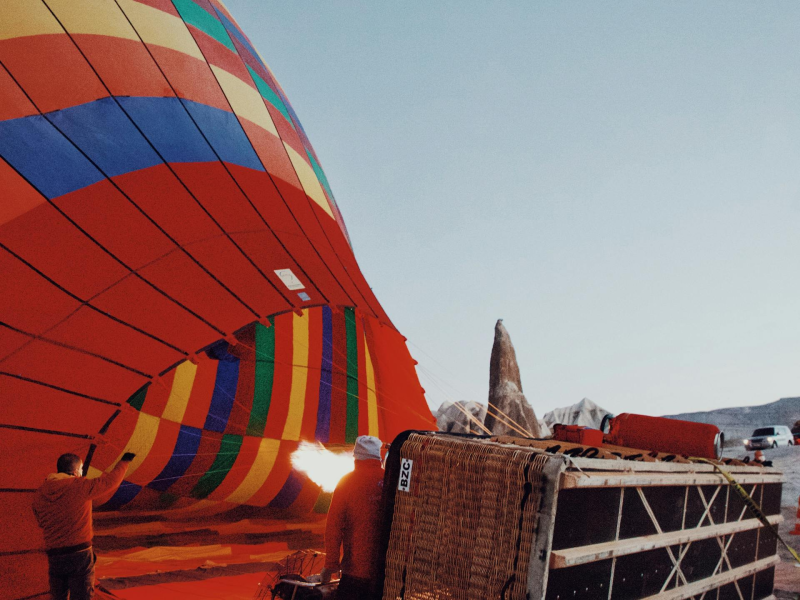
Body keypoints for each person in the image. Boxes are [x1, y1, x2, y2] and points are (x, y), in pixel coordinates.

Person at [32, 451, 136, 600]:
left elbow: (40, 519)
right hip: (79, 554)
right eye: (81, 469)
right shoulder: (80, 486)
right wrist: (125, 461)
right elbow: (110, 482)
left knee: (59, 596)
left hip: (55, 555)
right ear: (75, 472)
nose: (82, 473)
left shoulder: (41, 493)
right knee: (82, 596)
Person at [321, 435, 384, 600]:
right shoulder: (391, 480)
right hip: (386, 573)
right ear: (379, 457)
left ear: (356, 458)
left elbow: (334, 526)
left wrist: (330, 565)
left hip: (356, 570)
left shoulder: (347, 482)